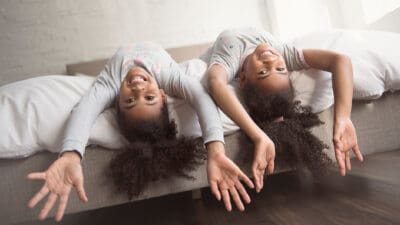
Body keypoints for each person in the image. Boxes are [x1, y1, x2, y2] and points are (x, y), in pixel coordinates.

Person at [26, 42, 254, 222]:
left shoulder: (110, 84)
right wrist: (215, 149)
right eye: (149, 97)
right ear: (164, 94)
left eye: (130, 101)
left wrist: (71, 154)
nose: (138, 88)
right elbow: (200, 96)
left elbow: (85, 109)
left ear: (116, 102)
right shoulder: (167, 76)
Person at [203, 27, 364, 193]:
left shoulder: (230, 58)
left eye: (263, 72)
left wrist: (258, 136)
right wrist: (343, 117)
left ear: (242, 78)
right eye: (281, 69)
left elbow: (215, 83)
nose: (271, 60)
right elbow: (340, 61)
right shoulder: (281, 54)